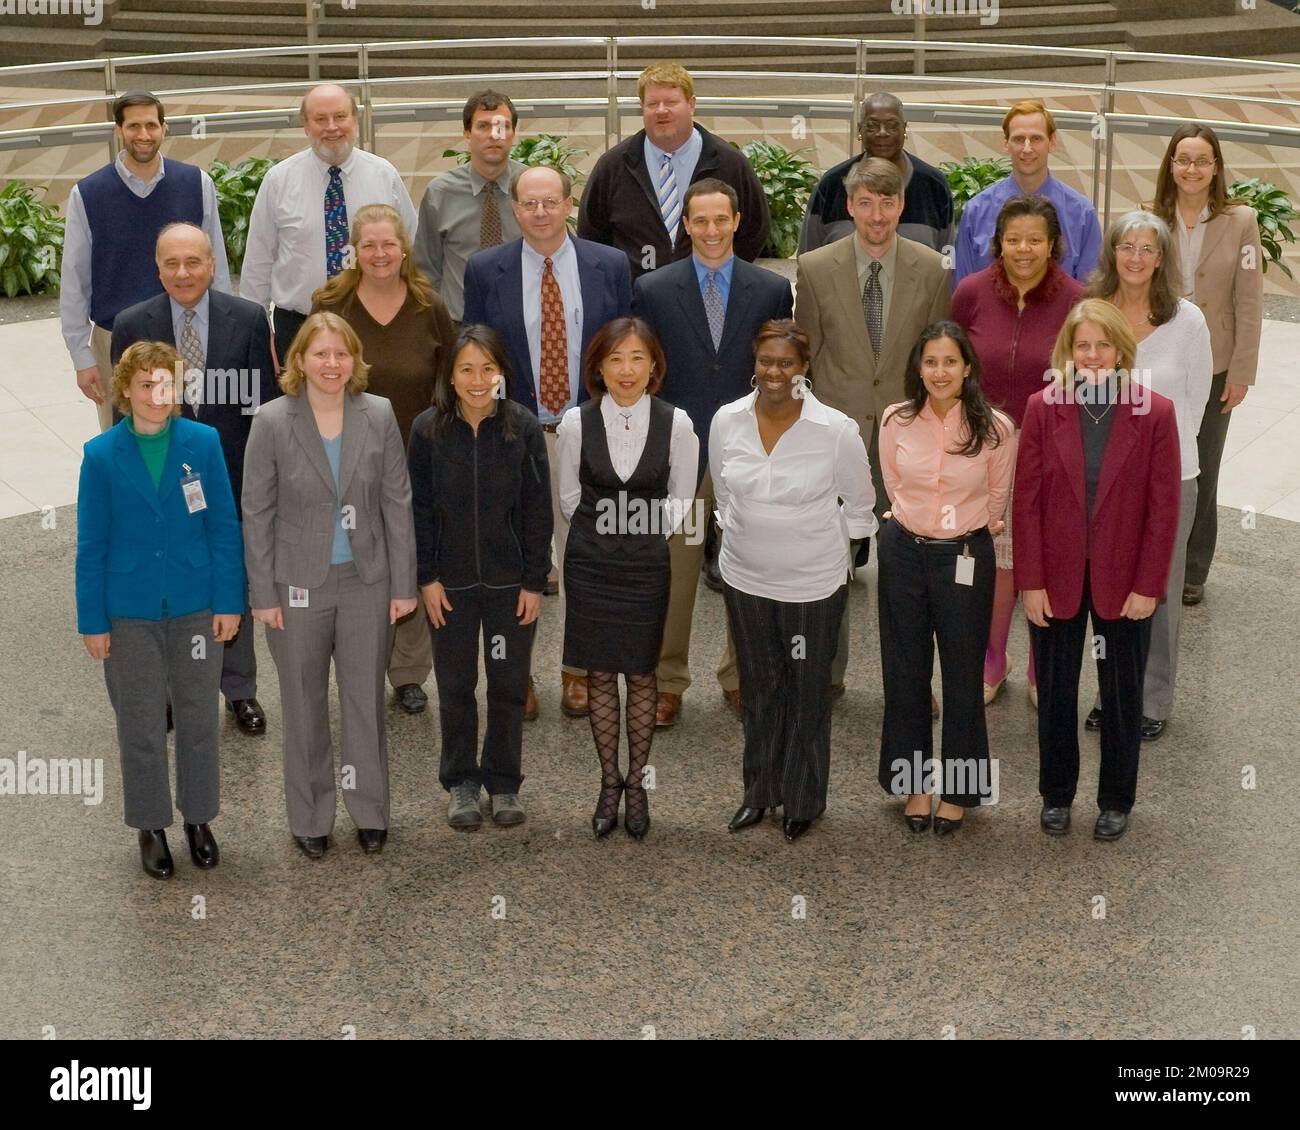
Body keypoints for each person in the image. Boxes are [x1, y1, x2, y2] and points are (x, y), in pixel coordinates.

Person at [242, 312, 418, 859]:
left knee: (364, 701)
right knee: (303, 702)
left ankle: (369, 810)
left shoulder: (379, 414)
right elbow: (256, 511)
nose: (331, 364)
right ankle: (311, 814)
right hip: (296, 586)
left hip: (368, 580)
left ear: (354, 360)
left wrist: (403, 584)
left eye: (341, 354)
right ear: (299, 360)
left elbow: (397, 502)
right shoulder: (272, 421)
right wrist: (263, 596)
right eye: (320, 354)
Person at [463, 164, 632, 718]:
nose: (540, 212)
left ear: (568, 205)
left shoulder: (609, 266)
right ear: (515, 209)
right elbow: (476, 352)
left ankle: (578, 671)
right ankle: (519, 676)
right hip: (519, 431)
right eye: (529, 204)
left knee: (585, 558)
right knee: (516, 559)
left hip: (589, 430)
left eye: (550, 202)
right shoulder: (486, 269)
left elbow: (624, 350)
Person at [75, 341, 244, 878]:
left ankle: (198, 819)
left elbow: (223, 528)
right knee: (141, 725)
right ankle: (150, 824)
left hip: (196, 605)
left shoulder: (203, 442)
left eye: (166, 383)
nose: (156, 394)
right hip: (129, 612)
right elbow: (90, 546)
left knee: (198, 719)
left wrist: (229, 602)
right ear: (125, 390)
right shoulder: (100, 456)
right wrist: (93, 622)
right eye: (146, 385)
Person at [1015, 299, 1181, 842]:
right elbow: (1027, 504)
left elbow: (1164, 512)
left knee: (1122, 693)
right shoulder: (1043, 407)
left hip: (1125, 581)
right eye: (1082, 345)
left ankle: (1116, 798)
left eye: (1103, 345)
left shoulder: (1154, 413)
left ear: (1121, 352)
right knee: (1058, 691)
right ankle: (1056, 796)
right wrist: (1030, 581)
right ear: (1068, 350)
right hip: (1056, 578)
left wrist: (1148, 586)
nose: (1092, 355)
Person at [631, 177, 793, 726]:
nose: (711, 230)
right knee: (675, 572)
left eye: (720, 219)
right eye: (699, 221)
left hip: (751, 446)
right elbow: (647, 372)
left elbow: (779, 366)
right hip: (680, 450)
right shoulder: (654, 289)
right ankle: (668, 681)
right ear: (686, 225)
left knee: (748, 566)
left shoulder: (770, 290)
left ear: (737, 221)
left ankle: (741, 674)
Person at [710, 320, 875, 842]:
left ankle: (803, 798)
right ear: (754, 364)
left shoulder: (836, 430)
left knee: (807, 691)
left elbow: (861, 504)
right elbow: (722, 494)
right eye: (765, 361)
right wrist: (738, 534)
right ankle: (759, 793)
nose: (774, 372)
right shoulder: (727, 420)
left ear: (803, 369)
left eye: (785, 363)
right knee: (759, 689)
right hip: (745, 577)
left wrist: (831, 556)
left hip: (812, 584)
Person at [111, 222, 277, 736]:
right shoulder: (132, 323)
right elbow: (126, 415)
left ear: (211, 265)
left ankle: (240, 688)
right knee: (168, 581)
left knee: (232, 576)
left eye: (193, 262)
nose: (183, 273)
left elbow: (264, 409)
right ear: (157, 268)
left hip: (230, 475)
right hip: (161, 483)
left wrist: (262, 482)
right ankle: (163, 692)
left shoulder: (248, 319)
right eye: (172, 263)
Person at [795, 157, 950, 694]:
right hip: (837, 443)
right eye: (865, 203)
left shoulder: (932, 269)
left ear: (901, 205)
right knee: (829, 567)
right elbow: (805, 358)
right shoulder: (815, 268)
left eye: (887, 203)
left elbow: (938, 362)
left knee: (909, 577)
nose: (876, 215)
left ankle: (910, 684)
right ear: (849, 206)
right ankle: (824, 676)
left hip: (909, 443)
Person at [312, 203, 456, 717]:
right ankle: (360, 665)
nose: (379, 254)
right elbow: (312, 372)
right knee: (358, 562)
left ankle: (410, 672)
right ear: (354, 250)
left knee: (408, 557)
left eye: (388, 244)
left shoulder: (429, 306)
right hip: (346, 456)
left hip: (418, 456)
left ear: (404, 248)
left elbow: (449, 380)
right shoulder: (331, 304)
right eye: (368, 245)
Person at [556, 318, 698, 839]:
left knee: (640, 673)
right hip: (591, 563)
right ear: (598, 366)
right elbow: (570, 498)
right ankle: (607, 783)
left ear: (654, 365)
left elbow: (680, 500)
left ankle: (636, 785)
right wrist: (603, 534)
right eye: (615, 358)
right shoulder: (575, 423)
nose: (626, 370)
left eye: (637, 358)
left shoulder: (677, 423)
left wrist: (639, 535)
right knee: (597, 674)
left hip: (644, 567)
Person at [408, 326, 553, 831]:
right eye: (466, 369)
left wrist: (535, 581)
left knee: (509, 685)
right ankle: (462, 781)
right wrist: (426, 577)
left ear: (502, 374)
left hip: (510, 585)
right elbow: (419, 511)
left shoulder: (524, 428)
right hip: (449, 586)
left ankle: (505, 780)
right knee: (455, 684)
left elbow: (538, 512)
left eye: (488, 369)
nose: (477, 380)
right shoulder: (427, 430)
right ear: (449, 374)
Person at [876, 323, 1015, 836]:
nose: (940, 372)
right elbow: (892, 482)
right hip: (904, 554)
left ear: (968, 369)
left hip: (964, 557)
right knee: (906, 671)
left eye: (950, 362)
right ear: (919, 367)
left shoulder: (996, 428)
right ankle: (914, 786)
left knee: (962, 677)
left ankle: (958, 790)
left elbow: (998, 499)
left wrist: (966, 526)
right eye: (931, 362)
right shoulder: (896, 420)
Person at [1082, 211, 1212, 741]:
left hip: (1170, 477)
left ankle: (1152, 697)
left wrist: (1161, 453)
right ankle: (1109, 692)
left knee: (1157, 589)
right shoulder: (1092, 314)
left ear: (1161, 259)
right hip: (1104, 480)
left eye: (1147, 248)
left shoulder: (1189, 320)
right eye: (1126, 246)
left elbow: (1197, 400)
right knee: (1106, 588)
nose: (1135, 257)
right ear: (1112, 253)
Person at [951, 195, 1083, 707]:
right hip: (982, 443)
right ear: (997, 243)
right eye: (1013, 239)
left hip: (1051, 444)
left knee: (1046, 553)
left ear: (1053, 245)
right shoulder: (970, 292)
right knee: (997, 555)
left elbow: (1090, 375)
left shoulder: (1076, 301)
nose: (1023, 249)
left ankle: (1040, 660)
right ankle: (992, 655)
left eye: (1034, 240)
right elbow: (951, 362)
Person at [61, 91, 231, 432]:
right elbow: (74, 281)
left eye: (151, 125)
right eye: (134, 125)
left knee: (196, 435)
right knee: (125, 448)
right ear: (118, 130)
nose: (144, 134)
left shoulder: (196, 184)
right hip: (116, 342)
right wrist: (82, 357)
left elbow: (218, 267)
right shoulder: (88, 194)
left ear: (164, 129)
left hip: (187, 333)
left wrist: (226, 332)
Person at [1150, 123, 1264, 607]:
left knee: (1203, 467)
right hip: (1160, 361)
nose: (1191, 169)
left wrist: (1241, 371)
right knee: (1154, 464)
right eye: (1182, 160)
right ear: (1170, 166)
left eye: (1201, 160)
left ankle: (1193, 569)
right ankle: (1152, 560)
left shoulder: (1241, 221)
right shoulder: (1149, 216)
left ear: (1215, 167)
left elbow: (1250, 302)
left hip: (1215, 365)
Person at [239, 84, 418, 362]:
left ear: (355, 120)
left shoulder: (384, 176)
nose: (331, 127)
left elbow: (410, 247)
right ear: (305, 125)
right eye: (320, 119)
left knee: (374, 405)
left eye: (340, 116)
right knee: (301, 406)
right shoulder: (278, 181)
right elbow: (257, 266)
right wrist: (257, 337)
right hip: (298, 326)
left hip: (373, 321)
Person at [578, 62, 769, 279]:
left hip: (710, 295)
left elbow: (755, 229)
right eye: (652, 103)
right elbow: (591, 236)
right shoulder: (612, 167)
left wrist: (722, 277)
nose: (661, 111)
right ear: (642, 107)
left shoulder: (730, 164)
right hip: (637, 303)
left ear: (691, 104)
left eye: (671, 102)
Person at [952, 99, 1102, 288]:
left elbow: (1090, 293)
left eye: (1036, 138)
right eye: (1018, 139)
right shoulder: (976, 211)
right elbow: (962, 289)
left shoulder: (1082, 213)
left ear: (1052, 142)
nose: (1027, 148)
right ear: (1006, 144)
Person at [413, 89, 526, 324]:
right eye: (483, 126)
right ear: (467, 133)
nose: (494, 135)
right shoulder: (440, 193)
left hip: (522, 323)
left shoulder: (532, 188)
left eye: (502, 126)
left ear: (513, 133)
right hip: (458, 325)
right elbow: (426, 270)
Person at [799, 92, 953, 254]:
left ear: (904, 129)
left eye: (892, 125)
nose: (882, 132)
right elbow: (808, 259)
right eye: (872, 125)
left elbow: (947, 261)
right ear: (860, 130)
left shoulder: (933, 184)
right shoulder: (832, 184)